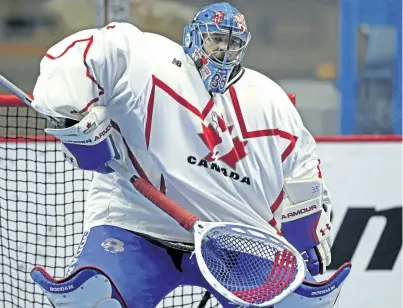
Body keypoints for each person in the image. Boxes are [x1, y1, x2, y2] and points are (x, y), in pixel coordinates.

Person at [29, 2, 350, 307]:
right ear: (194, 37)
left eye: (232, 42)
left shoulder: (270, 98)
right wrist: (72, 118)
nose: (224, 50)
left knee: (296, 302)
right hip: (137, 225)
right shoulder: (146, 59)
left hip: (239, 237)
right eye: (216, 39)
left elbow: (302, 167)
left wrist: (307, 226)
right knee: (92, 299)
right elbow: (86, 53)